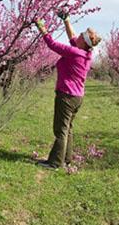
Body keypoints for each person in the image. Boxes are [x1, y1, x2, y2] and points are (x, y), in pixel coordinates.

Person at [34, 12, 101, 169]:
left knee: (60, 130)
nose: (77, 36)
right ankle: (66, 159)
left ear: (83, 42)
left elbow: (52, 44)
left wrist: (41, 27)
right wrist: (66, 20)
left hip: (67, 95)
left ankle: (55, 162)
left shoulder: (74, 52)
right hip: (77, 97)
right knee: (68, 129)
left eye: (81, 36)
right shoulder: (85, 53)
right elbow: (72, 37)